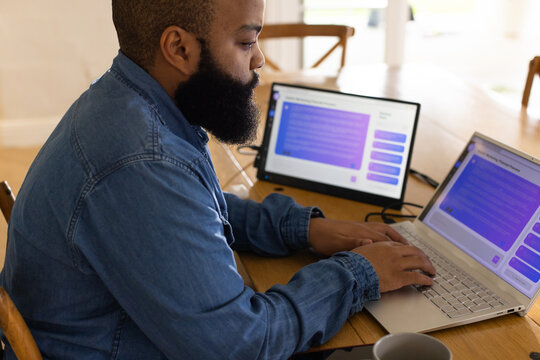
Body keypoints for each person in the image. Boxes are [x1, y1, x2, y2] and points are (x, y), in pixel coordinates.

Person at [0, 0, 435, 359]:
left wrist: (305, 229)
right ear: (179, 48)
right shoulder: (140, 160)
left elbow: (193, 208)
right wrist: (360, 273)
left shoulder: (125, 99)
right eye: (246, 41)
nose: (260, 58)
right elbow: (241, 346)